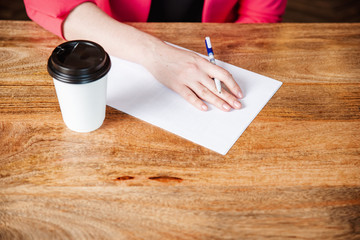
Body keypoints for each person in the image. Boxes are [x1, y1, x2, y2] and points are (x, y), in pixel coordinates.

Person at [24, 0, 287, 112]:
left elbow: (260, 17)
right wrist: (154, 53)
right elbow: (47, 4)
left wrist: (224, 64)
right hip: (116, 44)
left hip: (218, 49)